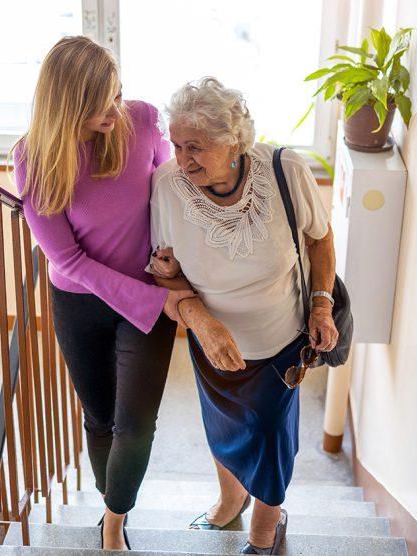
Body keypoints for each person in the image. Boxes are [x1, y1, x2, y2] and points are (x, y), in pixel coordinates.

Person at [12, 36, 194, 551]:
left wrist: (170, 255)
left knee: (135, 425)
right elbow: (67, 260)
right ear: (68, 105)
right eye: (101, 104)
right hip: (81, 302)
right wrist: (157, 302)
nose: (116, 109)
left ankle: (114, 522)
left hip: (147, 292)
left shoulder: (141, 120)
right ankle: (111, 498)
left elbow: (171, 189)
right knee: (100, 419)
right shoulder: (33, 160)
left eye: (118, 94)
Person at [147, 77, 338, 555]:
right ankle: (231, 498)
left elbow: (319, 239)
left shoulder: (285, 169)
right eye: (176, 144)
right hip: (211, 342)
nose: (182, 158)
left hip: (282, 344)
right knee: (224, 427)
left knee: (271, 437)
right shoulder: (167, 186)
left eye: (196, 146)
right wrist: (197, 316)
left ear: (234, 142)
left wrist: (321, 303)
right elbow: (165, 271)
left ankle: (264, 530)